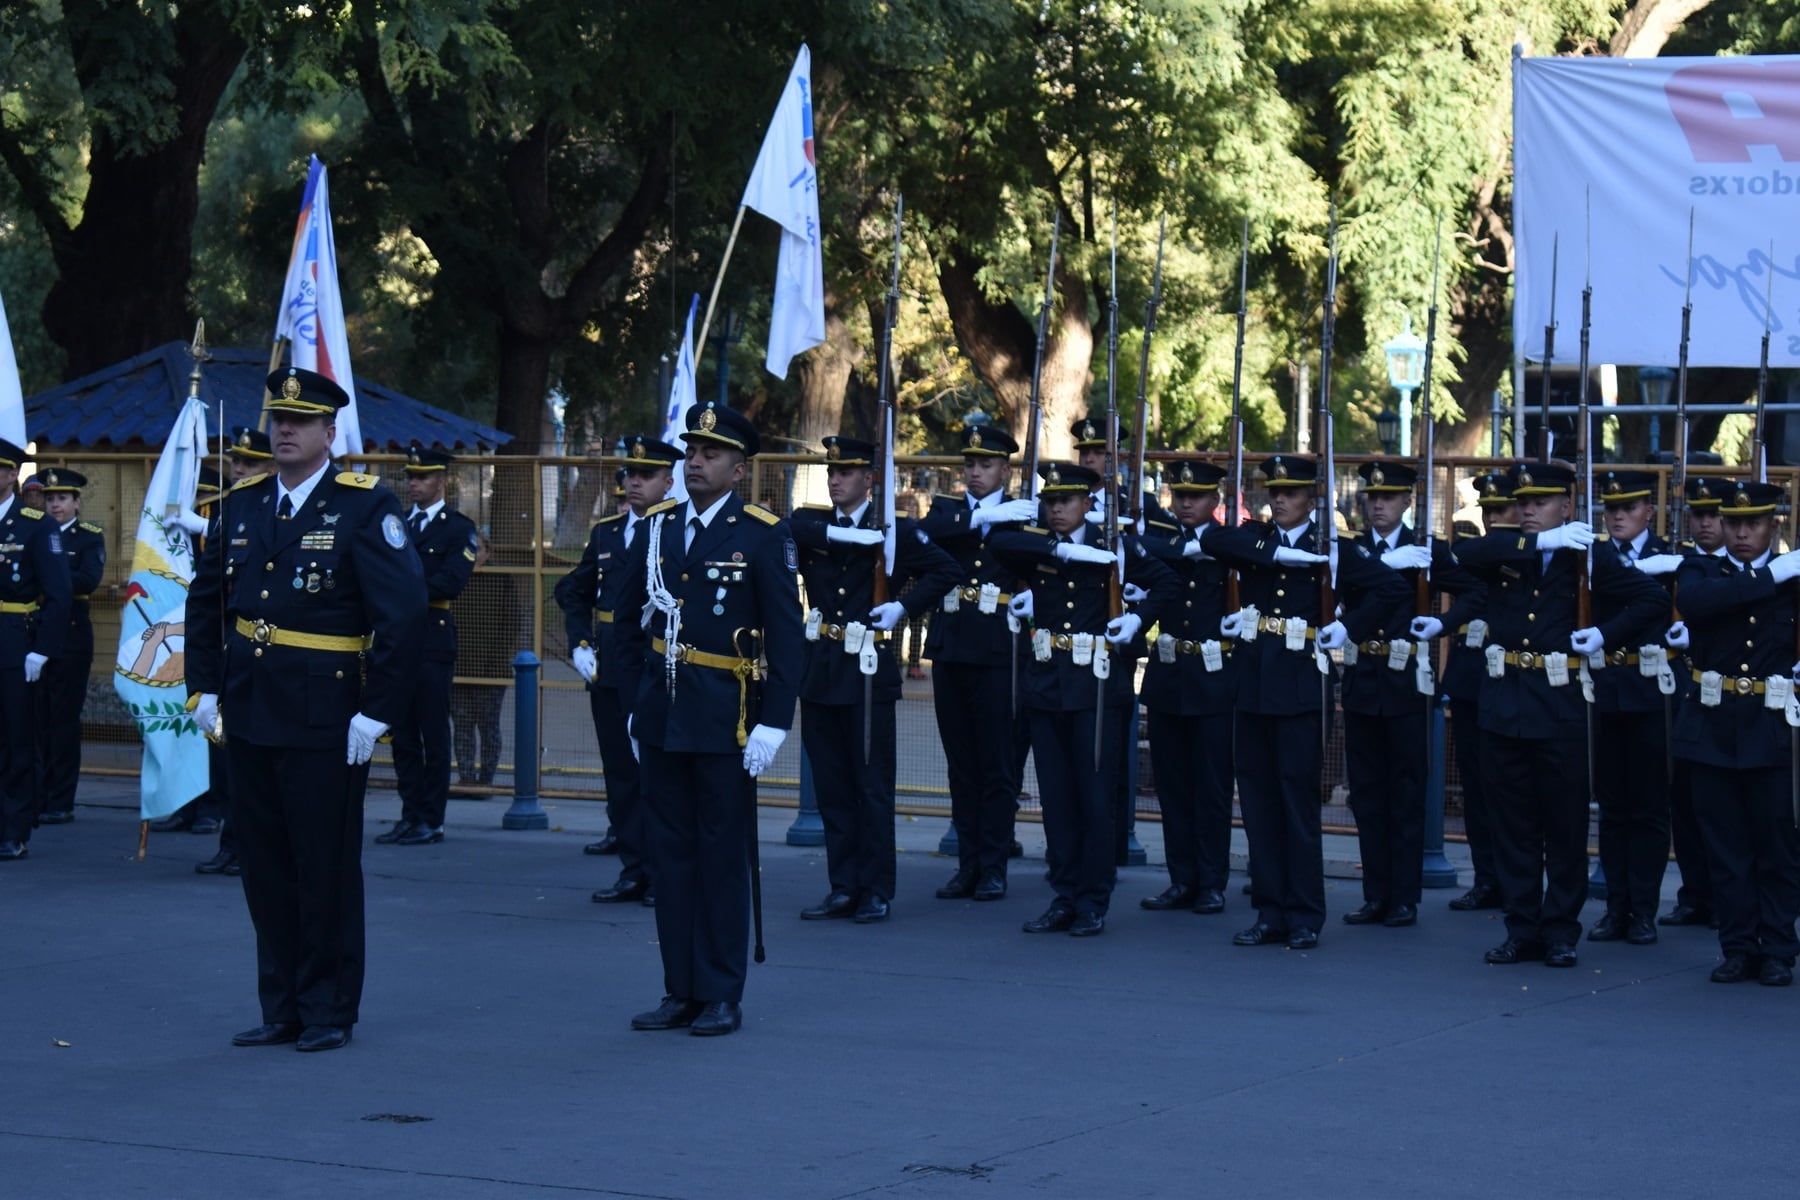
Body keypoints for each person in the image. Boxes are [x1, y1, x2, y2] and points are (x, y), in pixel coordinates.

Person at [185, 366, 427, 1051]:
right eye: (278, 419)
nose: (284, 430)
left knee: (322, 864)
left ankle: (327, 1008)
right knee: (263, 864)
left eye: (300, 421)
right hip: (252, 706)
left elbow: (403, 616)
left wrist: (376, 710)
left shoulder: (363, 507)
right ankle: (282, 1004)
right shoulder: (241, 504)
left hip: (327, 714)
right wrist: (201, 687)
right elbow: (207, 604)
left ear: (330, 432)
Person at [615, 400, 803, 1037]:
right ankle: (680, 989)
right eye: (692, 450)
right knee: (671, 856)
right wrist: (635, 711)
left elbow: (787, 635)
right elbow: (628, 620)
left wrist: (775, 723)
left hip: (730, 718)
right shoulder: (659, 526)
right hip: (665, 713)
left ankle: (721, 991)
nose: (695, 460)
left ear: (739, 468)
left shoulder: (762, 532)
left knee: (721, 858)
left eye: (711, 452)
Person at [1454, 461, 1666, 969]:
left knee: (1565, 825)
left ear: (1567, 507)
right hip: (1505, 705)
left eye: (1541, 502)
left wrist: (1604, 634)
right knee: (1514, 825)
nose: (1528, 509)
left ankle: (1559, 929)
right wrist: (1536, 544)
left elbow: (1652, 600)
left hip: (1561, 705)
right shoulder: (1511, 549)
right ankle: (1521, 927)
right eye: (1524, 501)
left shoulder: (1587, 556)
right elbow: (1462, 556)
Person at [1211, 454, 1408, 950]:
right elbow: (1214, 538)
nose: (1279, 499)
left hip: (1301, 690)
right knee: (1258, 806)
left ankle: (1303, 914)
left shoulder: (1334, 550)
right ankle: (1270, 911)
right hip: (1253, 687)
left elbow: (1388, 588)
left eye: (1291, 492)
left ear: (1312, 499)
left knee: (1297, 808)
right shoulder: (1259, 542)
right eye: (1273, 491)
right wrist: (1278, 557)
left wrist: (1348, 625)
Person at [990, 462, 1176, 937]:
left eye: (1066, 501)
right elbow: (997, 544)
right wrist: (1055, 546)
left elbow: (1169, 583)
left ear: (1087, 503)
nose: (1056, 509)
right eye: (1050, 501)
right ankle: (1064, 894)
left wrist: (1137, 620)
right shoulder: (1042, 545)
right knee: (1056, 801)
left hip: (1095, 689)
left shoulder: (1112, 545)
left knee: (1094, 801)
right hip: (1048, 686)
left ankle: (1093, 899)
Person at [789, 435, 958, 924]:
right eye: (831, 472)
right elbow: (782, 531)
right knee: (832, 788)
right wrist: (839, 537)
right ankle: (843, 886)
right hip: (821, 670)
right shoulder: (816, 526)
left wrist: (902, 607)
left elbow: (945, 571)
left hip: (867, 673)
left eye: (846, 472)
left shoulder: (894, 532)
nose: (835, 479)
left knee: (872, 787)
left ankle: (876, 888)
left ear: (871, 479)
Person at [1666, 481, 1800, 986]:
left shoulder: (1795, 579)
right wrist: (1771, 575)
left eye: (1755, 523)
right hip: (1713, 725)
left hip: (1771, 726)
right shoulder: (1702, 569)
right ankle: (1739, 946)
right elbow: (1698, 604)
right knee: (1725, 846)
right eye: (1735, 523)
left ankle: (1779, 948)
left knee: (1776, 845)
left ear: (1774, 526)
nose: (1743, 533)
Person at [1339, 459, 1482, 929]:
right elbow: (1333, 588)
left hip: (1406, 681)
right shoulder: (1352, 549)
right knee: (1366, 793)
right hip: (1363, 679)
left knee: (1405, 790)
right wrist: (1380, 564)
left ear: (1407, 502)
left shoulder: (1427, 551)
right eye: (1372, 497)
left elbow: (1475, 593)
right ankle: (1375, 893)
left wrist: (1442, 623)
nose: (1378, 504)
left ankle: (1404, 896)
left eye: (1388, 497)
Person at [917, 423, 1037, 902]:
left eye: (985, 464)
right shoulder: (949, 511)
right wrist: (983, 519)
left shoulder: (1024, 514)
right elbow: (923, 535)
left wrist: (1009, 518)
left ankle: (993, 865)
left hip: (999, 650)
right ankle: (967, 865)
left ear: (1005, 469)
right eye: (969, 464)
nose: (975, 472)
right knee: (961, 764)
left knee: (998, 763)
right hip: (952, 646)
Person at [554, 435, 675, 903]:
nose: (634, 483)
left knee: (658, 777)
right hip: (608, 671)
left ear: (669, 481)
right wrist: (579, 641)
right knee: (620, 774)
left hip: (653, 669)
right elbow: (572, 590)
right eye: (629, 475)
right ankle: (634, 870)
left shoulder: (676, 530)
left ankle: (664, 874)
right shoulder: (606, 531)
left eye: (646, 476)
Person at [1581, 470, 1681, 946]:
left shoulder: (1671, 559)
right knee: (1613, 806)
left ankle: (1643, 909)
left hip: (1648, 692)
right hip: (1604, 687)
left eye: (1627, 508)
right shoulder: (1593, 557)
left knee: (1649, 808)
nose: (1617, 515)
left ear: (1649, 512)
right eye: (1610, 509)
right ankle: (1615, 907)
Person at [1137, 459, 1240, 916]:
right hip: (1168, 677)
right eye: (1179, 496)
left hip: (1214, 680)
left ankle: (1212, 881)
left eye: (1195, 496)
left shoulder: (1230, 546)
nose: (1186, 503)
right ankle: (1181, 879)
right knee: (1173, 787)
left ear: (1215, 500)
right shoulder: (1162, 544)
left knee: (1212, 788)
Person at [377, 443, 478, 847]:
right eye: (410, 477)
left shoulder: (458, 529)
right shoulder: (396, 523)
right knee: (401, 734)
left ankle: (431, 818)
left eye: (422, 477)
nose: (414, 484)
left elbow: (450, 581)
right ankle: (409, 812)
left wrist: (399, 590)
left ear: (442, 481)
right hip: (397, 638)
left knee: (433, 734)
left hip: (431, 637)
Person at [1442, 472, 1515, 911]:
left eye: (1502, 509)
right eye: (1488, 510)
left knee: (1514, 790)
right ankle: (1487, 877)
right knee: (1477, 785)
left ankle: (1516, 879)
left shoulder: (1532, 554)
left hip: (1514, 683)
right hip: (1473, 680)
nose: (1494, 518)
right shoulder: (1477, 553)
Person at [0, 440, 73, 860]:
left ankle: (14, 828)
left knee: (16, 736)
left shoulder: (35, 524)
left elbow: (59, 594)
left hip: (15, 636)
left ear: (13, 476)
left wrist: (42, 649)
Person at [1659, 475, 1726, 929]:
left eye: (1713, 515)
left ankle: (1727, 897)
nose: (1704, 524)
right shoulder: (1682, 566)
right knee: (1685, 803)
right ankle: (1694, 892)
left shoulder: (1753, 571)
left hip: (1733, 703)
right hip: (1686, 696)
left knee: (1725, 811)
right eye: (1697, 516)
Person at [33, 469, 105, 825]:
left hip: (72, 636)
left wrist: (47, 577)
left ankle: (61, 799)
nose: (55, 504)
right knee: (34, 718)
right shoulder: (34, 531)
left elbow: (88, 580)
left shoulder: (88, 537)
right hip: (36, 634)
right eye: (49, 498)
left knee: (62, 720)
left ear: (77, 502)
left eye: (62, 498)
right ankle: (36, 793)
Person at [182, 467, 241, 877]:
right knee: (234, 761)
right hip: (231, 658)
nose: (242, 471)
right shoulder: (236, 515)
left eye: (251, 466)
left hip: (281, 665)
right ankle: (233, 844)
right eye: (238, 464)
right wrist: (202, 686)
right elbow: (204, 602)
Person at [450, 530, 509, 790]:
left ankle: (486, 778)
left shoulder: (502, 579)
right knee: (462, 725)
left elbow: (511, 624)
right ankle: (466, 777)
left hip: (491, 669)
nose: (474, 554)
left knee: (488, 726)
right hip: (457, 666)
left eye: (479, 548)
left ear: (488, 551)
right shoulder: (452, 577)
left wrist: (497, 661)